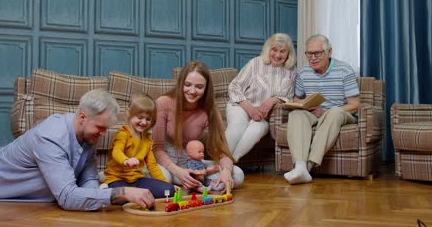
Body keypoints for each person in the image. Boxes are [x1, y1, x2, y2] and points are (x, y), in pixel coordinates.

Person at [0, 89, 155, 211]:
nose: (104, 134)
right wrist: (120, 192)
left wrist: (94, 198)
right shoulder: (51, 137)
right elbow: (67, 197)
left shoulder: (88, 136)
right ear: (82, 117)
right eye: (100, 128)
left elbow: (88, 178)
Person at [152, 60, 244, 192]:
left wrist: (226, 172)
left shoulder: (210, 109)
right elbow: (157, 149)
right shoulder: (163, 103)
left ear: (206, 88)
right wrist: (178, 172)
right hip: (167, 162)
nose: (192, 91)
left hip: (193, 162)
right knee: (165, 178)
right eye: (188, 85)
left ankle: (195, 183)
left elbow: (222, 150)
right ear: (181, 83)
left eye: (199, 87)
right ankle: (196, 182)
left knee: (238, 175)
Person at [283, 34, 360, 185]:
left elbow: (355, 104)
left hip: (340, 114)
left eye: (317, 53)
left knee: (334, 112)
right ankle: (300, 166)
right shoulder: (304, 73)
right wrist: (304, 104)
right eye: (309, 54)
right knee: (296, 115)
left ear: (329, 52)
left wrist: (325, 112)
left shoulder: (344, 69)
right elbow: (297, 98)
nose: (313, 58)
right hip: (313, 113)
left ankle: (308, 167)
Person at [226, 33, 296, 162]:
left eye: (282, 51)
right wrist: (249, 108)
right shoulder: (255, 63)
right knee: (239, 123)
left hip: (262, 116)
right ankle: (222, 159)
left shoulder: (291, 71)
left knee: (258, 129)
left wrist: (273, 99)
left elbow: (289, 96)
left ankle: (229, 162)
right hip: (241, 105)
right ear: (268, 49)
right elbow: (234, 87)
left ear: (288, 54)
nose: (277, 55)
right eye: (274, 50)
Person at [103, 92, 175, 200]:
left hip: (137, 180)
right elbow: (116, 152)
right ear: (129, 113)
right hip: (117, 179)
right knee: (120, 199)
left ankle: (137, 194)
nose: (143, 122)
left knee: (169, 190)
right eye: (140, 117)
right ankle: (106, 189)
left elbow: (152, 165)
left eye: (148, 119)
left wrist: (165, 183)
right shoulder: (123, 133)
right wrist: (126, 161)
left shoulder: (147, 139)